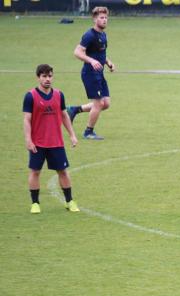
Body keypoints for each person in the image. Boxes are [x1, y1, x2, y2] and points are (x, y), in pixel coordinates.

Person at [23, 64, 79, 214]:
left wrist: (72, 134)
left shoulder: (59, 95)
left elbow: (64, 115)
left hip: (56, 142)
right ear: (38, 77)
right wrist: (28, 139)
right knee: (35, 171)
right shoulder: (30, 96)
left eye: (50, 76)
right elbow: (26, 119)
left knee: (63, 171)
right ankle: (35, 203)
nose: (47, 79)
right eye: (44, 76)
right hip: (38, 143)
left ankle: (69, 201)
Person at [67, 6, 115, 141]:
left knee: (106, 104)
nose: (104, 20)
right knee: (99, 103)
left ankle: (74, 110)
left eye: (106, 17)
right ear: (94, 19)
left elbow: (100, 53)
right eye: (101, 17)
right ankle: (88, 132)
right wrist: (91, 61)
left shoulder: (103, 35)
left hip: (100, 74)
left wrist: (108, 62)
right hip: (90, 74)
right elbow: (77, 52)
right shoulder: (90, 35)